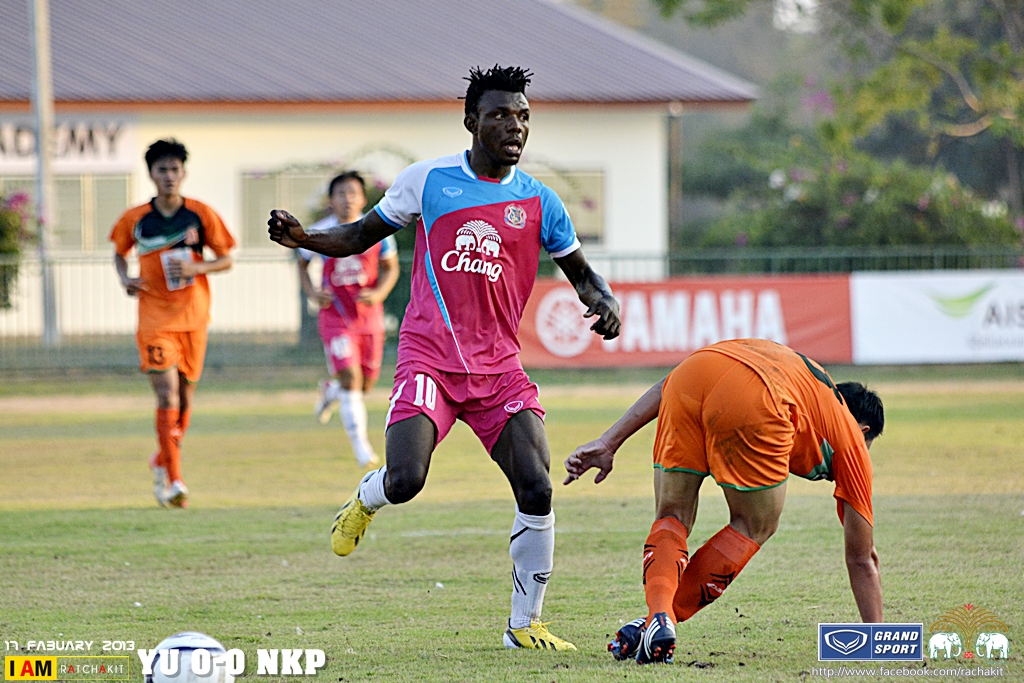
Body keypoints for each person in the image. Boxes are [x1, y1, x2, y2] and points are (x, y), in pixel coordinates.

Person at [269, 65, 621, 651]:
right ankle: (368, 497)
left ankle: (524, 625)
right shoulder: (428, 180)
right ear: (471, 121)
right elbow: (359, 236)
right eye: (500, 115)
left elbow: (582, 275)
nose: (515, 126)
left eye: (523, 116)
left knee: (537, 488)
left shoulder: (540, 201)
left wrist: (604, 300)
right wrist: (305, 239)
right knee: (407, 479)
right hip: (429, 359)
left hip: (499, 370)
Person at [564, 338, 884, 664]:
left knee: (672, 516)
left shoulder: (809, 382)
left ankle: (657, 619)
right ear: (863, 430)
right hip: (758, 395)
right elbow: (862, 559)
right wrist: (875, 642)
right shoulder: (851, 441)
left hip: (692, 372)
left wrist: (610, 441)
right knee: (754, 525)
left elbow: (671, 382)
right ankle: (665, 617)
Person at [111, 139, 235, 508]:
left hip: (193, 317)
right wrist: (125, 278)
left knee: (185, 401)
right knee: (167, 395)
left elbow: (226, 258)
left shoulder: (200, 214)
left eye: (174, 169)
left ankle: (161, 459)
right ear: (151, 174)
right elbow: (119, 253)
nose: (169, 175)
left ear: (183, 173)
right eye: (162, 169)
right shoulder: (136, 218)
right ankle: (174, 480)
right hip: (154, 319)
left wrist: (198, 267)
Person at [298, 171, 399, 467]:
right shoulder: (320, 232)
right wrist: (313, 293)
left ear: (363, 198)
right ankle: (361, 447)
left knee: (364, 384)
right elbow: (302, 264)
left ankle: (331, 391)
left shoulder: (377, 229)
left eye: (352, 193)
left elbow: (391, 268)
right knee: (352, 380)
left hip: (369, 318)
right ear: (331, 200)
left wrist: (379, 293)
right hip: (336, 317)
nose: (347, 199)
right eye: (340, 194)